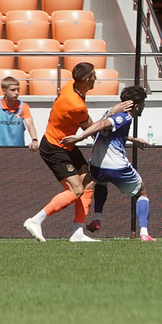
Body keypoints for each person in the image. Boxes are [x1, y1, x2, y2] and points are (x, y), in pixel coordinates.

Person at [22, 62, 132, 242]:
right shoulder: (75, 104)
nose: (96, 78)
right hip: (55, 148)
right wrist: (112, 112)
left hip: (67, 145)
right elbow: (91, 128)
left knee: (89, 182)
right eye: (94, 75)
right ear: (88, 79)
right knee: (76, 189)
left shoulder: (72, 88)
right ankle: (35, 220)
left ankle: (77, 232)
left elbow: (89, 124)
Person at [61, 85, 155, 241]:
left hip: (97, 166)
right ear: (137, 106)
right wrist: (80, 138)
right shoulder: (124, 116)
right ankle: (144, 233)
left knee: (100, 183)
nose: (144, 106)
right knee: (142, 192)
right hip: (116, 167)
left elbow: (108, 130)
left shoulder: (111, 113)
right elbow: (103, 125)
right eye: (143, 103)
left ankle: (97, 217)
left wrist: (131, 139)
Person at [0, 76, 40, 150]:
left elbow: (30, 124)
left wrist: (34, 140)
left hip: (18, 150)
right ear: (4, 91)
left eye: (18, 89)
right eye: (13, 90)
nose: (16, 93)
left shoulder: (23, 106)